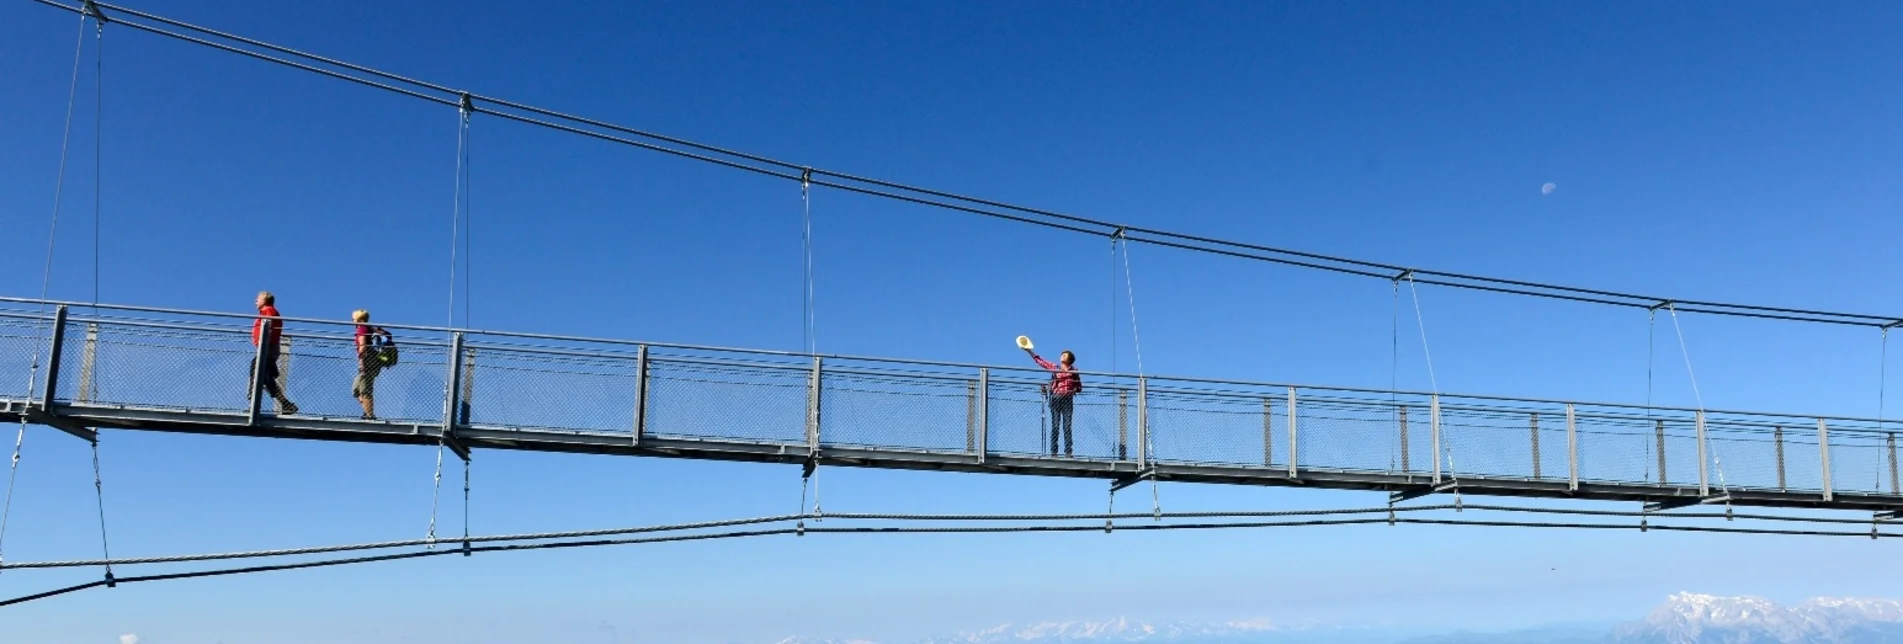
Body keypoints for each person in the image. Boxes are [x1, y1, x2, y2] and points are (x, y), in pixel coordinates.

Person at [1024, 347, 1081, 456]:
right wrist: (1029, 351)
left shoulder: (1074, 372)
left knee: (1067, 426)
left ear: (1070, 359)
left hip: (1067, 399)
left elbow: (1079, 387)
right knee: (1055, 425)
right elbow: (1041, 362)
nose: (1062, 356)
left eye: (1065, 355)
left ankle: (1068, 452)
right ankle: (1054, 452)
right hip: (1056, 398)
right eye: (1062, 355)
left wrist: (1073, 389)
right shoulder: (1055, 367)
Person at [250, 291, 298, 415]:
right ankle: (285, 404)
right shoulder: (266, 312)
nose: (255, 300)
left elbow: (268, 328)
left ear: (265, 300)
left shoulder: (269, 311)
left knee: (259, 374)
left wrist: (264, 346)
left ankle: (254, 403)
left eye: (258, 298)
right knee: (262, 376)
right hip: (266, 348)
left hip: (267, 348)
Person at [352, 309, 392, 420]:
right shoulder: (370, 327)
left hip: (368, 360)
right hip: (373, 360)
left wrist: (361, 361)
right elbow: (387, 334)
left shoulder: (362, 328)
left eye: (353, 318)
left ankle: (370, 416)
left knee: (365, 389)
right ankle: (367, 411)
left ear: (359, 318)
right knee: (356, 390)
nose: (352, 321)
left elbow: (363, 345)